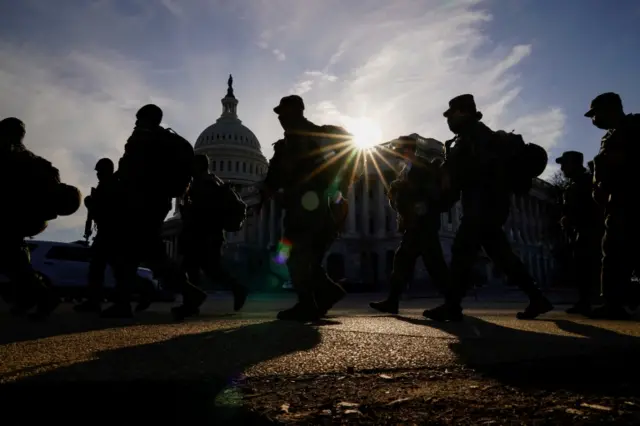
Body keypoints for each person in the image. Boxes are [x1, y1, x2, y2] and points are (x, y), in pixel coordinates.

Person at [423, 94, 553, 322]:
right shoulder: (476, 136)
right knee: (500, 253)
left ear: (462, 112)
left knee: (462, 249)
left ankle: (452, 305)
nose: (448, 120)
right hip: (488, 205)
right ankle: (536, 297)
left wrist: (446, 182)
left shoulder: (476, 137)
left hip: (483, 204)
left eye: (450, 114)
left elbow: (470, 175)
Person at [102, 104, 206, 320]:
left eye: (139, 118)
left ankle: (189, 293)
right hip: (152, 203)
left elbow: (131, 171)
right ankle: (126, 301)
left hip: (142, 203)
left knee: (141, 254)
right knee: (137, 254)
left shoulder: (147, 140)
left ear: (147, 119)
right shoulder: (165, 140)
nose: (136, 122)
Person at [261, 95, 350, 321]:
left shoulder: (318, 137)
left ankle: (308, 303)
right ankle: (327, 293)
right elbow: (273, 178)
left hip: (313, 208)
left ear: (298, 111)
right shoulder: (284, 145)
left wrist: (338, 195)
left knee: (294, 255)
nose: (280, 117)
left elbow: (344, 164)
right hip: (297, 209)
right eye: (279, 113)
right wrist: (270, 194)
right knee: (305, 258)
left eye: (283, 111)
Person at [370, 135, 450, 314]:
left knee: (433, 264)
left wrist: (405, 192)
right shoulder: (407, 169)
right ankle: (393, 300)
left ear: (407, 151)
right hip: (414, 225)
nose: (396, 155)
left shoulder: (422, 168)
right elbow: (406, 199)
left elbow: (428, 196)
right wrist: (396, 194)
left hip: (423, 225)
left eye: (398, 151)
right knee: (404, 261)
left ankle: (452, 303)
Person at [0, 117, 65, 320]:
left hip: (11, 214)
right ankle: (29, 298)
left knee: (12, 259)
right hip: (24, 217)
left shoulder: (10, 153)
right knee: (13, 257)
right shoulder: (31, 158)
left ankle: (41, 296)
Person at [588, 92, 640, 319]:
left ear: (610, 109)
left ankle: (614, 302)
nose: (593, 120)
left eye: (595, 114)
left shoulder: (634, 127)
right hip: (617, 200)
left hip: (632, 198)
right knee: (614, 252)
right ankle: (613, 302)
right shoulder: (611, 135)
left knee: (615, 252)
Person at [179, 154, 248, 311]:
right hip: (205, 234)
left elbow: (204, 211)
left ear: (198, 166)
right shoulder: (210, 182)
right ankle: (191, 303)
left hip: (203, 235)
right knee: (200, 269)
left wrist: (189, 212)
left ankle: (236, 289)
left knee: (205, 269)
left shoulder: (205, 184)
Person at [556, 151, 602, 315]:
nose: (561, 168)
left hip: (590, 231)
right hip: (581, 231)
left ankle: (591, 301)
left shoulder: (586, 182)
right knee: (583, 268)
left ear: (573, 164)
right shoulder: (576, 183)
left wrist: (571, 218)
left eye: (564, 164)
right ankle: (585, 301)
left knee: (588, 267)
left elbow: (590, 208)